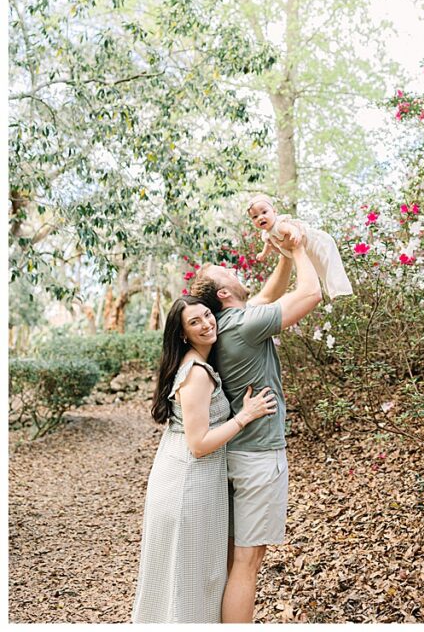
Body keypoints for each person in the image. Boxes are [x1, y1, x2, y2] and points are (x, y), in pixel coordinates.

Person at [190, 237, 322, 622]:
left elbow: (269, 293)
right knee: (248, 563)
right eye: (228, 273)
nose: (235, 271)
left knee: (235, 558)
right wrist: (298, 249)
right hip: (259, 459)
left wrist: (281, 256)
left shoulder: (229, 325)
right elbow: (310, 293)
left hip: (236, 455)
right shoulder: (246, 325)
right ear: (225, 291)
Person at [132, 296, 277, 623]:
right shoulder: (196, 374)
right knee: (188, 578)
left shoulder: (194, 362)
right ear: (183, 333)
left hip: (185, 476)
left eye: (207, 315)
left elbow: (261, 299)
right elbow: (198, 444)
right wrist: (245, 416)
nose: (206, 324)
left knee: (184, 575)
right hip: (187, 483)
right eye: (194, 322)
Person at [246, 193, 353, 299]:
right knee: (321, 269)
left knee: (330, 264)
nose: (260, 217)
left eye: (264, 212)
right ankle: (334, 292)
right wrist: (264, 254)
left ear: (274, 212)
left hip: (317, 242)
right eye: (255, 216)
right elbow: (268, 243)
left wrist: (295, 233)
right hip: (307, 250)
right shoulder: (266, 233)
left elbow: (289, 228)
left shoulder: (278, 226)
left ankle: (341, 290)